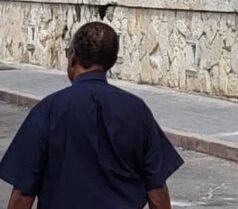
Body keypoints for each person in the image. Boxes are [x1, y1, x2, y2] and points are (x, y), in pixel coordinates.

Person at [0, 20, 183, 209]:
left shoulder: (49, 109)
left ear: (73, 57)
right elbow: (157, 188)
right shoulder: (137, 110)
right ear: (111, 61)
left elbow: (23, 191)